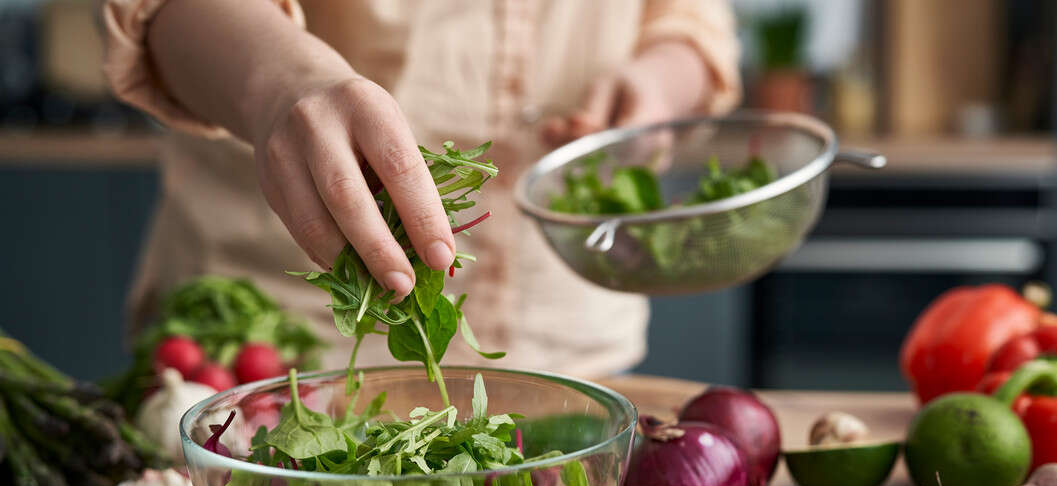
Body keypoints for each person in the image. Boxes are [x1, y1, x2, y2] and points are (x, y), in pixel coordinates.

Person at [102, 0, 740, 377]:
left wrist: (662, 81)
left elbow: (687, 16)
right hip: (275, 353)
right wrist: (281, 85)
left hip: (567, 341)